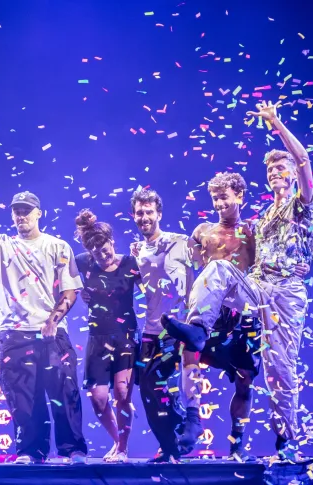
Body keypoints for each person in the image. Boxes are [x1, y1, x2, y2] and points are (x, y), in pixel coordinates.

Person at [162, 100, 313, 461]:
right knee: (217, 269)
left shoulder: (304, 204)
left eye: (282, 168)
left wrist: (276, 123)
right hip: (257, 288)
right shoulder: (261, 220)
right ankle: (198, 328)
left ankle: (286, 442)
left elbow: (306, 161)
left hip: (286, 294)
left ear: (292, 173)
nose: (277, 174)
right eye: (272, 170)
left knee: (280, 371)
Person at [0, 161, 87, 464]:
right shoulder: (2, 245)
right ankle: (29, 451)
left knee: (64, 394)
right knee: (23, 401)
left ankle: (72, 450)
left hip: (53, 336)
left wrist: (52, 320)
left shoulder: (57, 246)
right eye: (17, 211)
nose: (21, 215)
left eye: (27, 210)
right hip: (14, 336)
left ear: (39, 213)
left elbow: (70, 291)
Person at [178, 172, 308, 461]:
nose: (218, 203)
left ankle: (237, 444)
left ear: (239, 196)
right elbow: (183, 261)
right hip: (213, 316)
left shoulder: (253, 233)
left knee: (244, 380)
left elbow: (279, 255)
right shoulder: (202, 232)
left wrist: (298, 267)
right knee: (189, 350)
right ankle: (191, 418)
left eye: (223, 196)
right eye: (214, 198)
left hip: (241, 316)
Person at [129, 188, 192, 463]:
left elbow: (205, 263)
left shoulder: (180, 241)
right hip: (149, 330)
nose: (144, 217)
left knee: (164, 386)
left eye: (149, 212)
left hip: (175, 328)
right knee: (145, 389)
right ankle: (168, 446)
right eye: (140, 213)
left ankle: (176, 440)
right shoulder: (136, 250)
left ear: (159, 214)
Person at [74, 209, 140, 463]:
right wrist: (81, 292)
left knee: (122, 395)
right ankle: (117, 441)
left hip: (124, 337)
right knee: (99, 399)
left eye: (105, 249)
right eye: (96, 253)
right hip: (97, 337)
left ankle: (123, 449)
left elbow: (155, 285)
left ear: (112, 242)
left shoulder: (129, 264)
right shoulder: (82, 262)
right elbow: (65, 281)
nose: (102, 256)